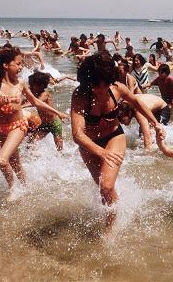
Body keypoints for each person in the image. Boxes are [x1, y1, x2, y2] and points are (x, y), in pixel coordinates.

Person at [70, 52, 165, 226]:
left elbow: (137, 103)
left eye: (103, 85)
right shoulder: (80, 95)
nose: (99, 90)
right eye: (94, 86)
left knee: (106, 186)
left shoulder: (117, 88)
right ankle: (114, 215)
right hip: (88, 145)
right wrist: (101, 152)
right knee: (103, 189)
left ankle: (111, 229)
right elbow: (77, 135)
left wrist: (155, 123)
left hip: (113, 136)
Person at [0, 47, 68, 200]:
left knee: (2, 160)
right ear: (6, 65)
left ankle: (13, 189)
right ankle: (26, 187)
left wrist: (57, 112)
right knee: (15, 163)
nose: (21, 66)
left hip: (18, 126)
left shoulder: (20, 83)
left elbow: (35, 102)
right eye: (18, 63)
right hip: (1, 128)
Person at [27, 72, 65, 151]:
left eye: (32, 86)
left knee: (59, 148)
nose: (30, 87)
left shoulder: (45, 94)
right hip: (45, 124)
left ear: (41, 85)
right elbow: (26, 100)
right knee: (31, 141)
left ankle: (63, 158)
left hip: (55, 123)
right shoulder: (35, 94)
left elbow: (36, 102)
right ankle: (30, 157)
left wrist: (22, 106)